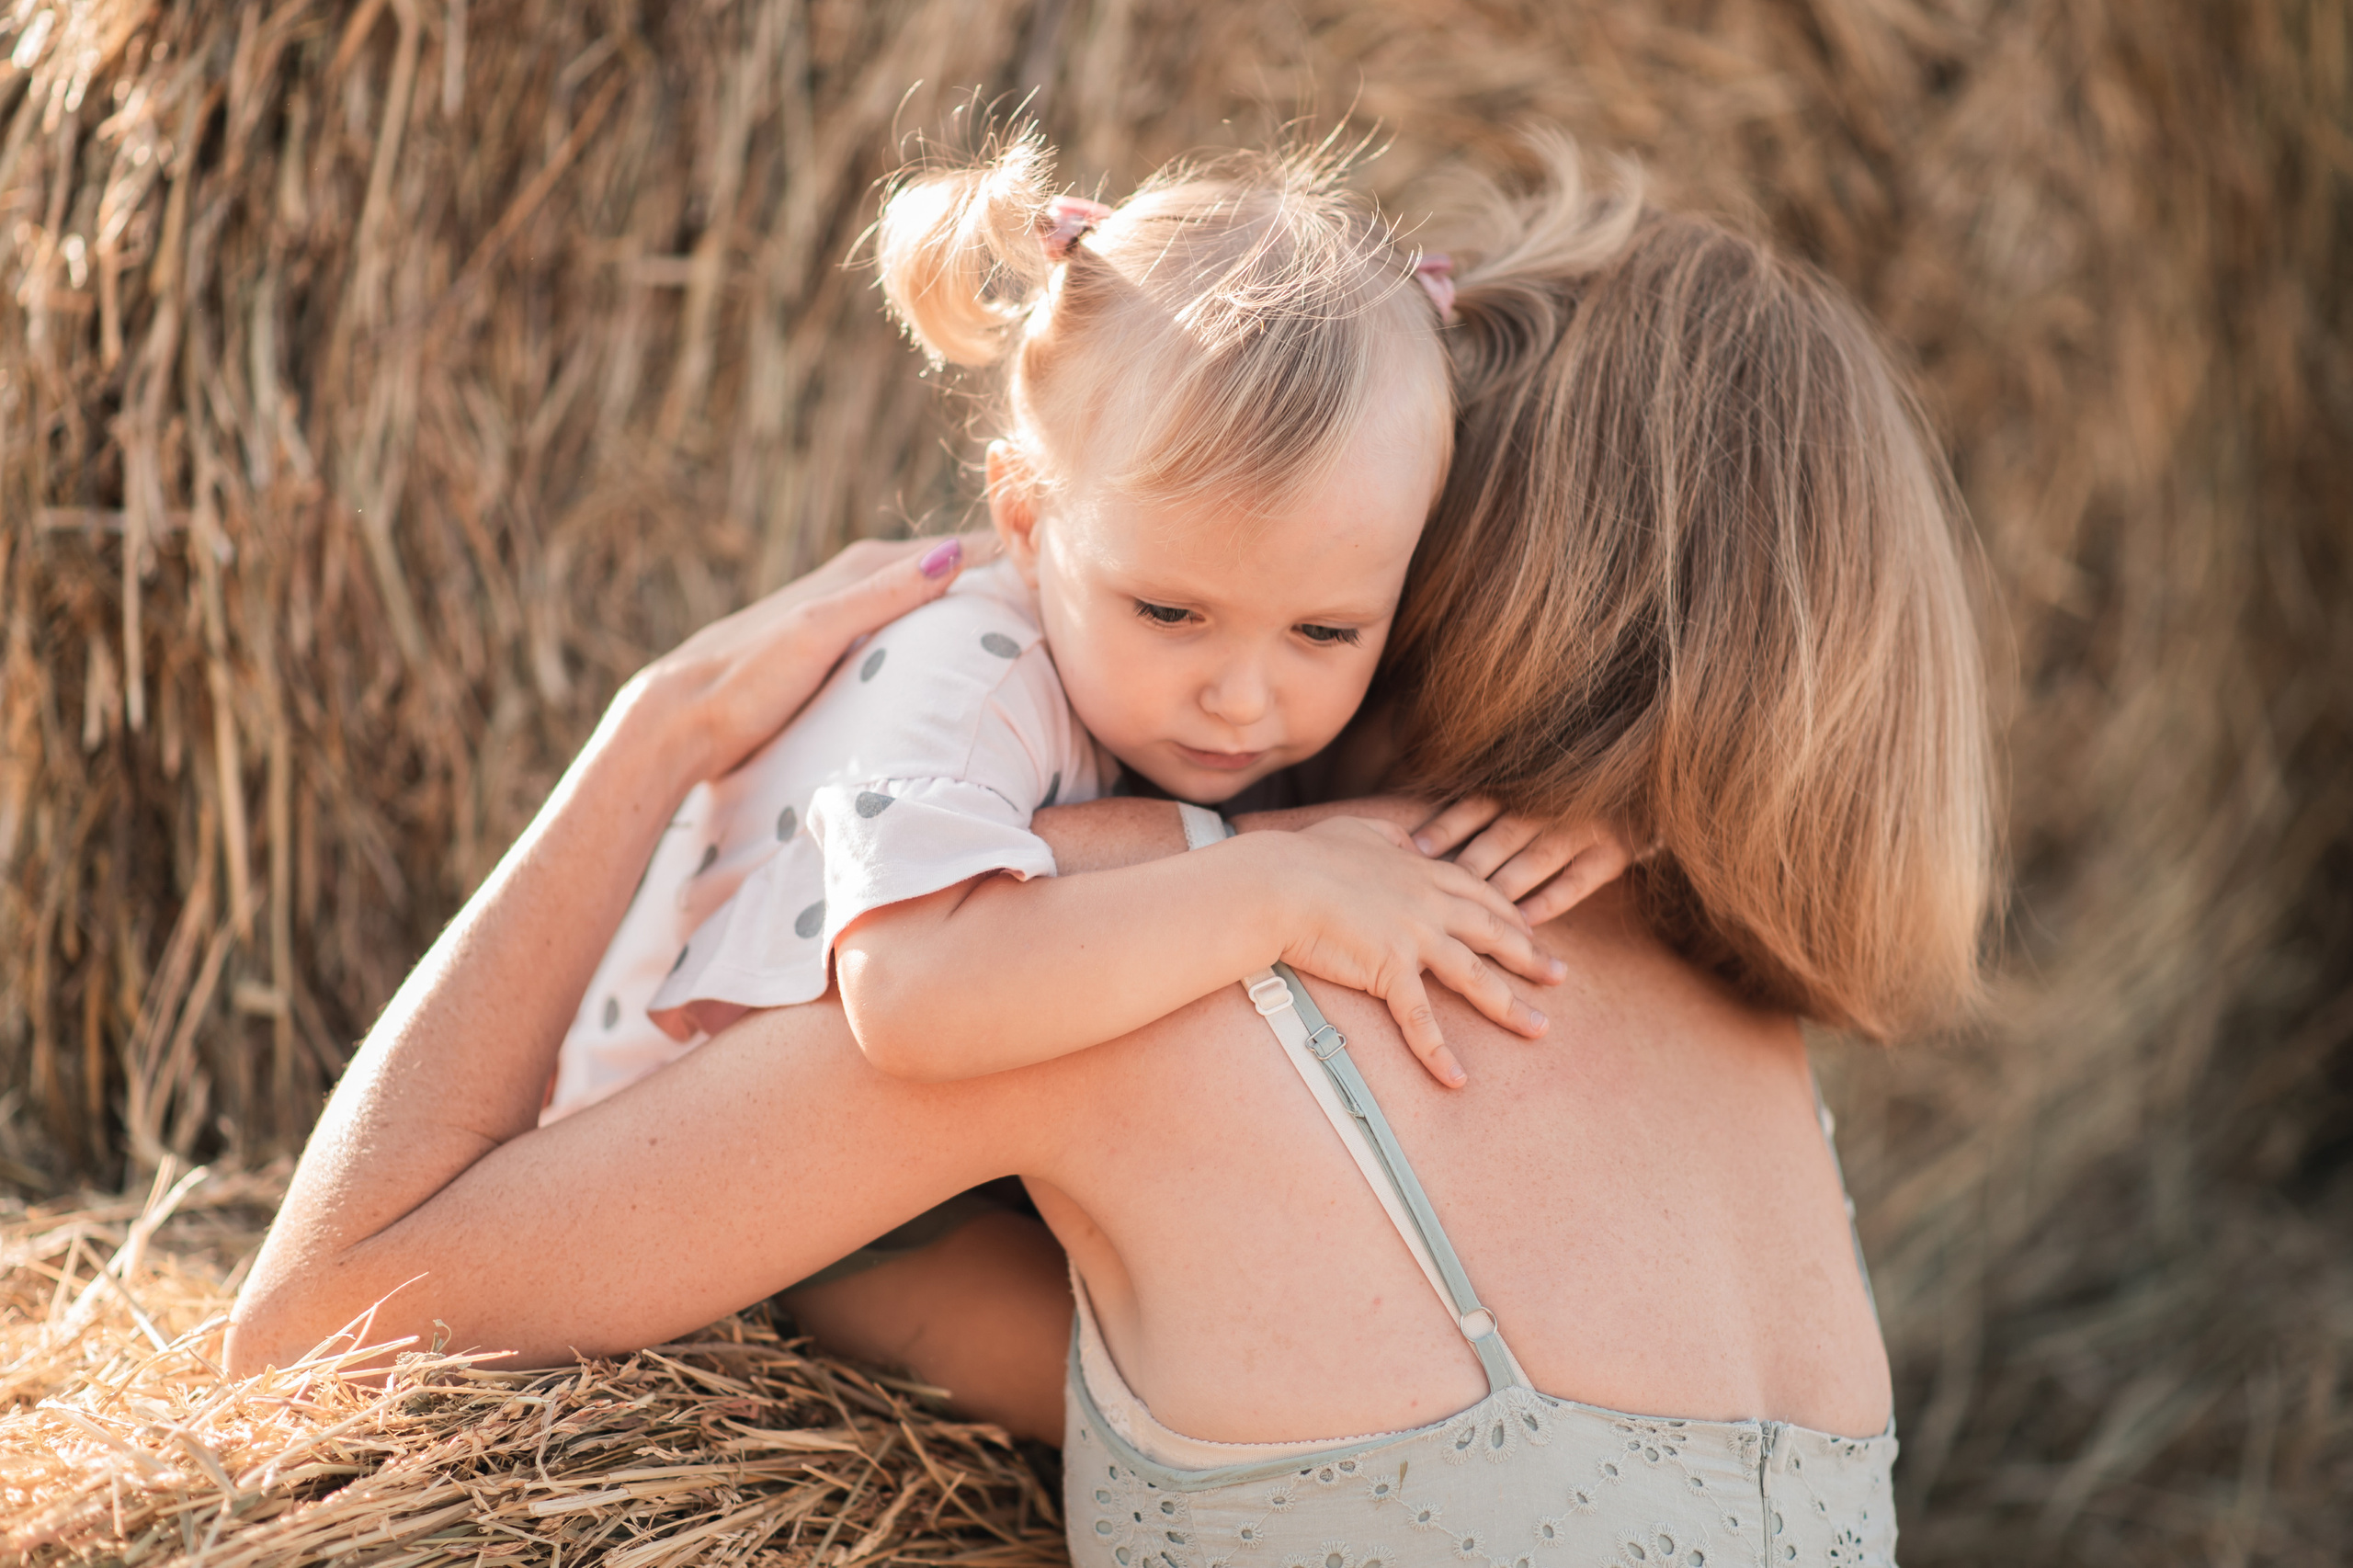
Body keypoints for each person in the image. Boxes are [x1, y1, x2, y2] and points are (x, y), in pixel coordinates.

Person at [228, 140, 1992, 1566]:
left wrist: (652, 733)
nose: (1251, 684)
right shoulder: (1773, 1068)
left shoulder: (1146, 917)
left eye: (1335, 613)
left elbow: (319, 1321)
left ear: (1463, 563)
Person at [550, 133, 1612, 1122]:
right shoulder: (968, 677)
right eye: (1168, 611)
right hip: (678, 1130)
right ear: (1023, 518)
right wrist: (1279, 888)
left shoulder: (1237, 674)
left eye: (1325, 631)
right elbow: (912, 995)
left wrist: (1597, 819)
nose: (1242, 696)